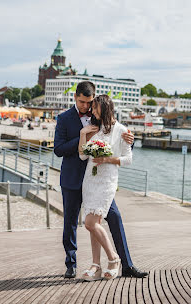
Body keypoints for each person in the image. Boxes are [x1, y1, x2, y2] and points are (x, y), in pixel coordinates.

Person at [54, 81, 148, 279]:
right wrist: (82, 136)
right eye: (82, 102)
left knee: (115, 219)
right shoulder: (63, 119)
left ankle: (126, 264)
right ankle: (71, 265)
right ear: (75, 97)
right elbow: (58, 149)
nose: (86, 107)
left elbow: (115, 134)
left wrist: (132, 138)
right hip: (73, 179)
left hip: (99, 182)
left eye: (89, 103)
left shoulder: (98, 114)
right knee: (70, 223)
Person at [79, 94, 133, 280]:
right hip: (90, 180)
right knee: (95, 225)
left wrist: (107, 159)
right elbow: (82, 156)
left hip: (107, 182)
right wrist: (83, 134)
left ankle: (113, 259)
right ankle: (96, 265)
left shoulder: (122, 130)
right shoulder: (95, 128)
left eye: (94, 107)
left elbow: (128, 159)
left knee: (90, 223)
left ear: (104, 107)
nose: (92, 111)